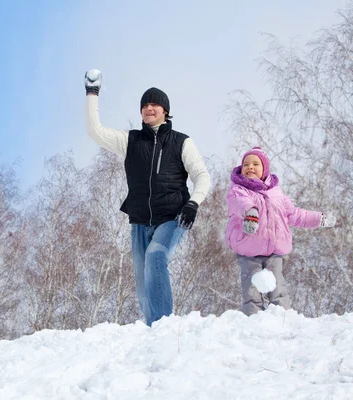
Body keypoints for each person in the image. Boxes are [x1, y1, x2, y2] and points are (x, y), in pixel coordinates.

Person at [84, 69, 211, 325]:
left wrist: (193, 204)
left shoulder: (181, 142)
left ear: (165, 110)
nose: (149, 108)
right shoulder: (130, 140)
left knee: (156, 256)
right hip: (140, 220)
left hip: (172, 216)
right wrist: (92, 92)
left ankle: (165, 323)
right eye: (145, 104)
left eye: (154, 104)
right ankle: (153, 327)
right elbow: (95, 132)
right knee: (143, 280)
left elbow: (202, 176)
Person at [225, 146, 336, 315]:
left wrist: (319, 218)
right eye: (246, 164)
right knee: (252, 290)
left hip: (274, 251)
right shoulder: (238, 190)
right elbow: (240, 204)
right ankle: (253, 323)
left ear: (265, 170)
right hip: (249, 251)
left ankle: (283, 319)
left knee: (277, 288)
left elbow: (295, 214)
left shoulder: (276, 194)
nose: (250, 167)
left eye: (256, 164)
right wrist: (251, 213)